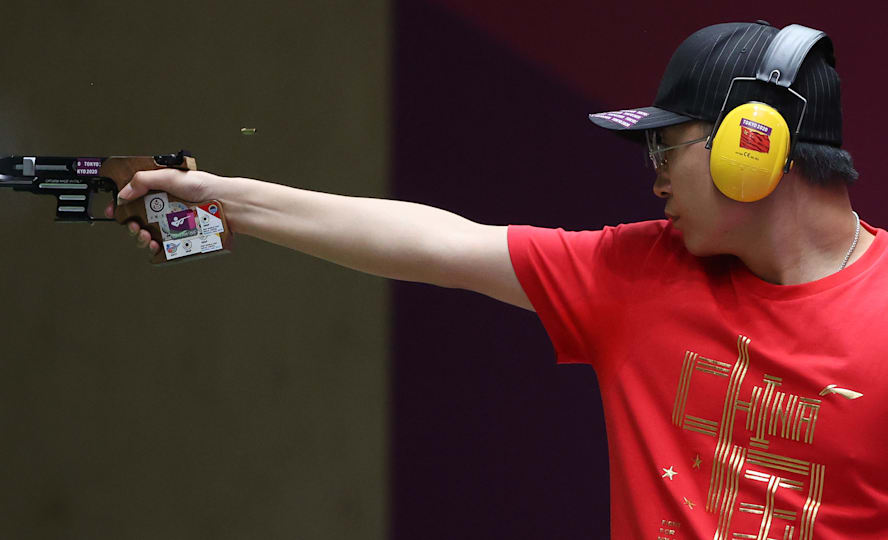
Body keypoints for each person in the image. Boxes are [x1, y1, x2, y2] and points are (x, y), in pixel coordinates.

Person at [106, 20, 887, 539]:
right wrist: (224, 199)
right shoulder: (640, 273)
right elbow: (437, 244)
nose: (654, 183)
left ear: (752, 147)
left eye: (666, 150)